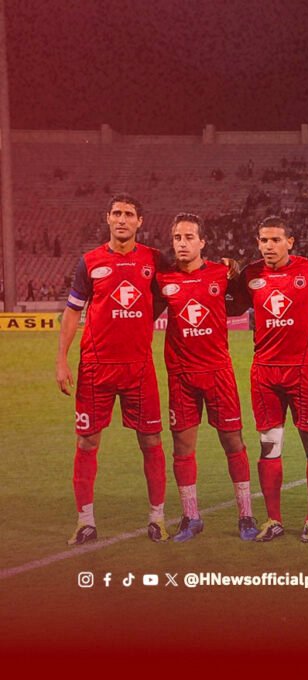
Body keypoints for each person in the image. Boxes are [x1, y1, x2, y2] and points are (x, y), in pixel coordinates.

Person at [56, 194, 169, 544]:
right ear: (107, 218)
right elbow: (73, 311)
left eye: (129, 214)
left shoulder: (154, 260)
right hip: (95, 367)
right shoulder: (89, 262)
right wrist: (62, 359)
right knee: (87, 442)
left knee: (150, 441)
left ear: (140, 222)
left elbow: (168, 295)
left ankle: (158, 518)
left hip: (138, 367)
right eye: (116, 213)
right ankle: (85, 521)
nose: (122, 219)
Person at [228, 216, 308, 543]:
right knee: (269, 446)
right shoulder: (251, 274)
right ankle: (273, 519)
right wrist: (226, 277)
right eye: (263, 240)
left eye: (275, 240)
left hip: (303, 371)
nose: (268, 246)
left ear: (291, 242)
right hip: (265, 373)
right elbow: (231, 306)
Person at [156, 213, 257, 542]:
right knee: (183, 448)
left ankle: (246, 516)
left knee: (233, 442)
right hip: (181, 376)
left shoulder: (220, 273)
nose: (182, 243)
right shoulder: (162, 279)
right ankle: (191, 517)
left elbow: (240, 303)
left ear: (202, 242)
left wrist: (237, 268)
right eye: (177, 238)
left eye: (189, 237)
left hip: (218, 373)